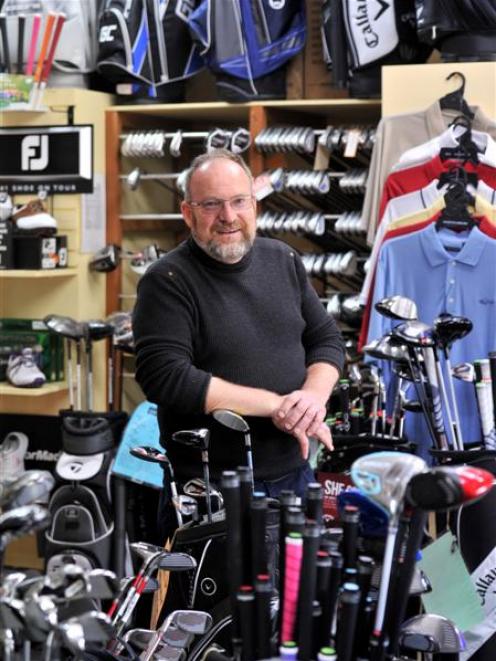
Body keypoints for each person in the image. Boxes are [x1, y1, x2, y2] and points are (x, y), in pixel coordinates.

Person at [132, 149, 345, 540]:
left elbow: (326, 340)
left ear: (254, 204)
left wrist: (312, 398)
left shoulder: (282, 259)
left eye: (238, 201)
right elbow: (167, 377)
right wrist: (276, 406)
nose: (228, 216)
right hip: (211, 493)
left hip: (294, 479)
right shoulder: (167, 280)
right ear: (187, 212)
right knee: (216, 603)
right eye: (211, 204)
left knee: (296, 599)